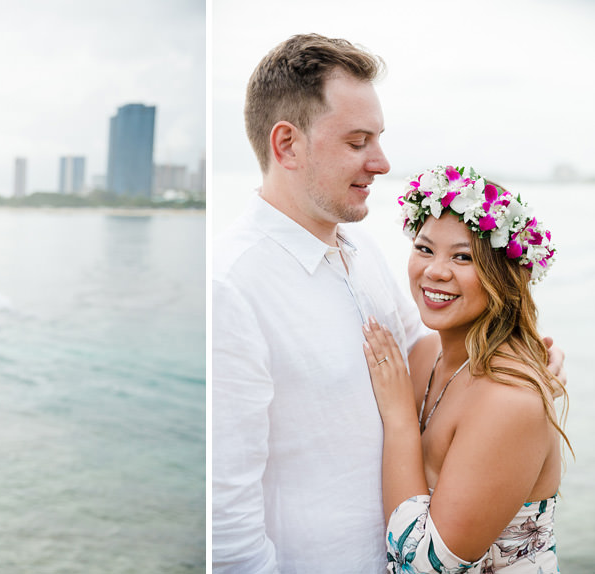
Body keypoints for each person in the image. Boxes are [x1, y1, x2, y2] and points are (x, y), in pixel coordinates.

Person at [211, 34, 425, 573]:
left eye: (377, 139)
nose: (381, 162)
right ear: (287, 145)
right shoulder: (232, 289)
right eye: (357, 142)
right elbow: (226, 521)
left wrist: (512, 361)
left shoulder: (364, 247)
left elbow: (421, 353)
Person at [363, 165, 566, 572]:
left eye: (462, 257)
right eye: (424, 249)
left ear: (503, 275)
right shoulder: (421, 355)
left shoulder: (510, 400)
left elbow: (422, 566)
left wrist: (400, 415)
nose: (435, 271)